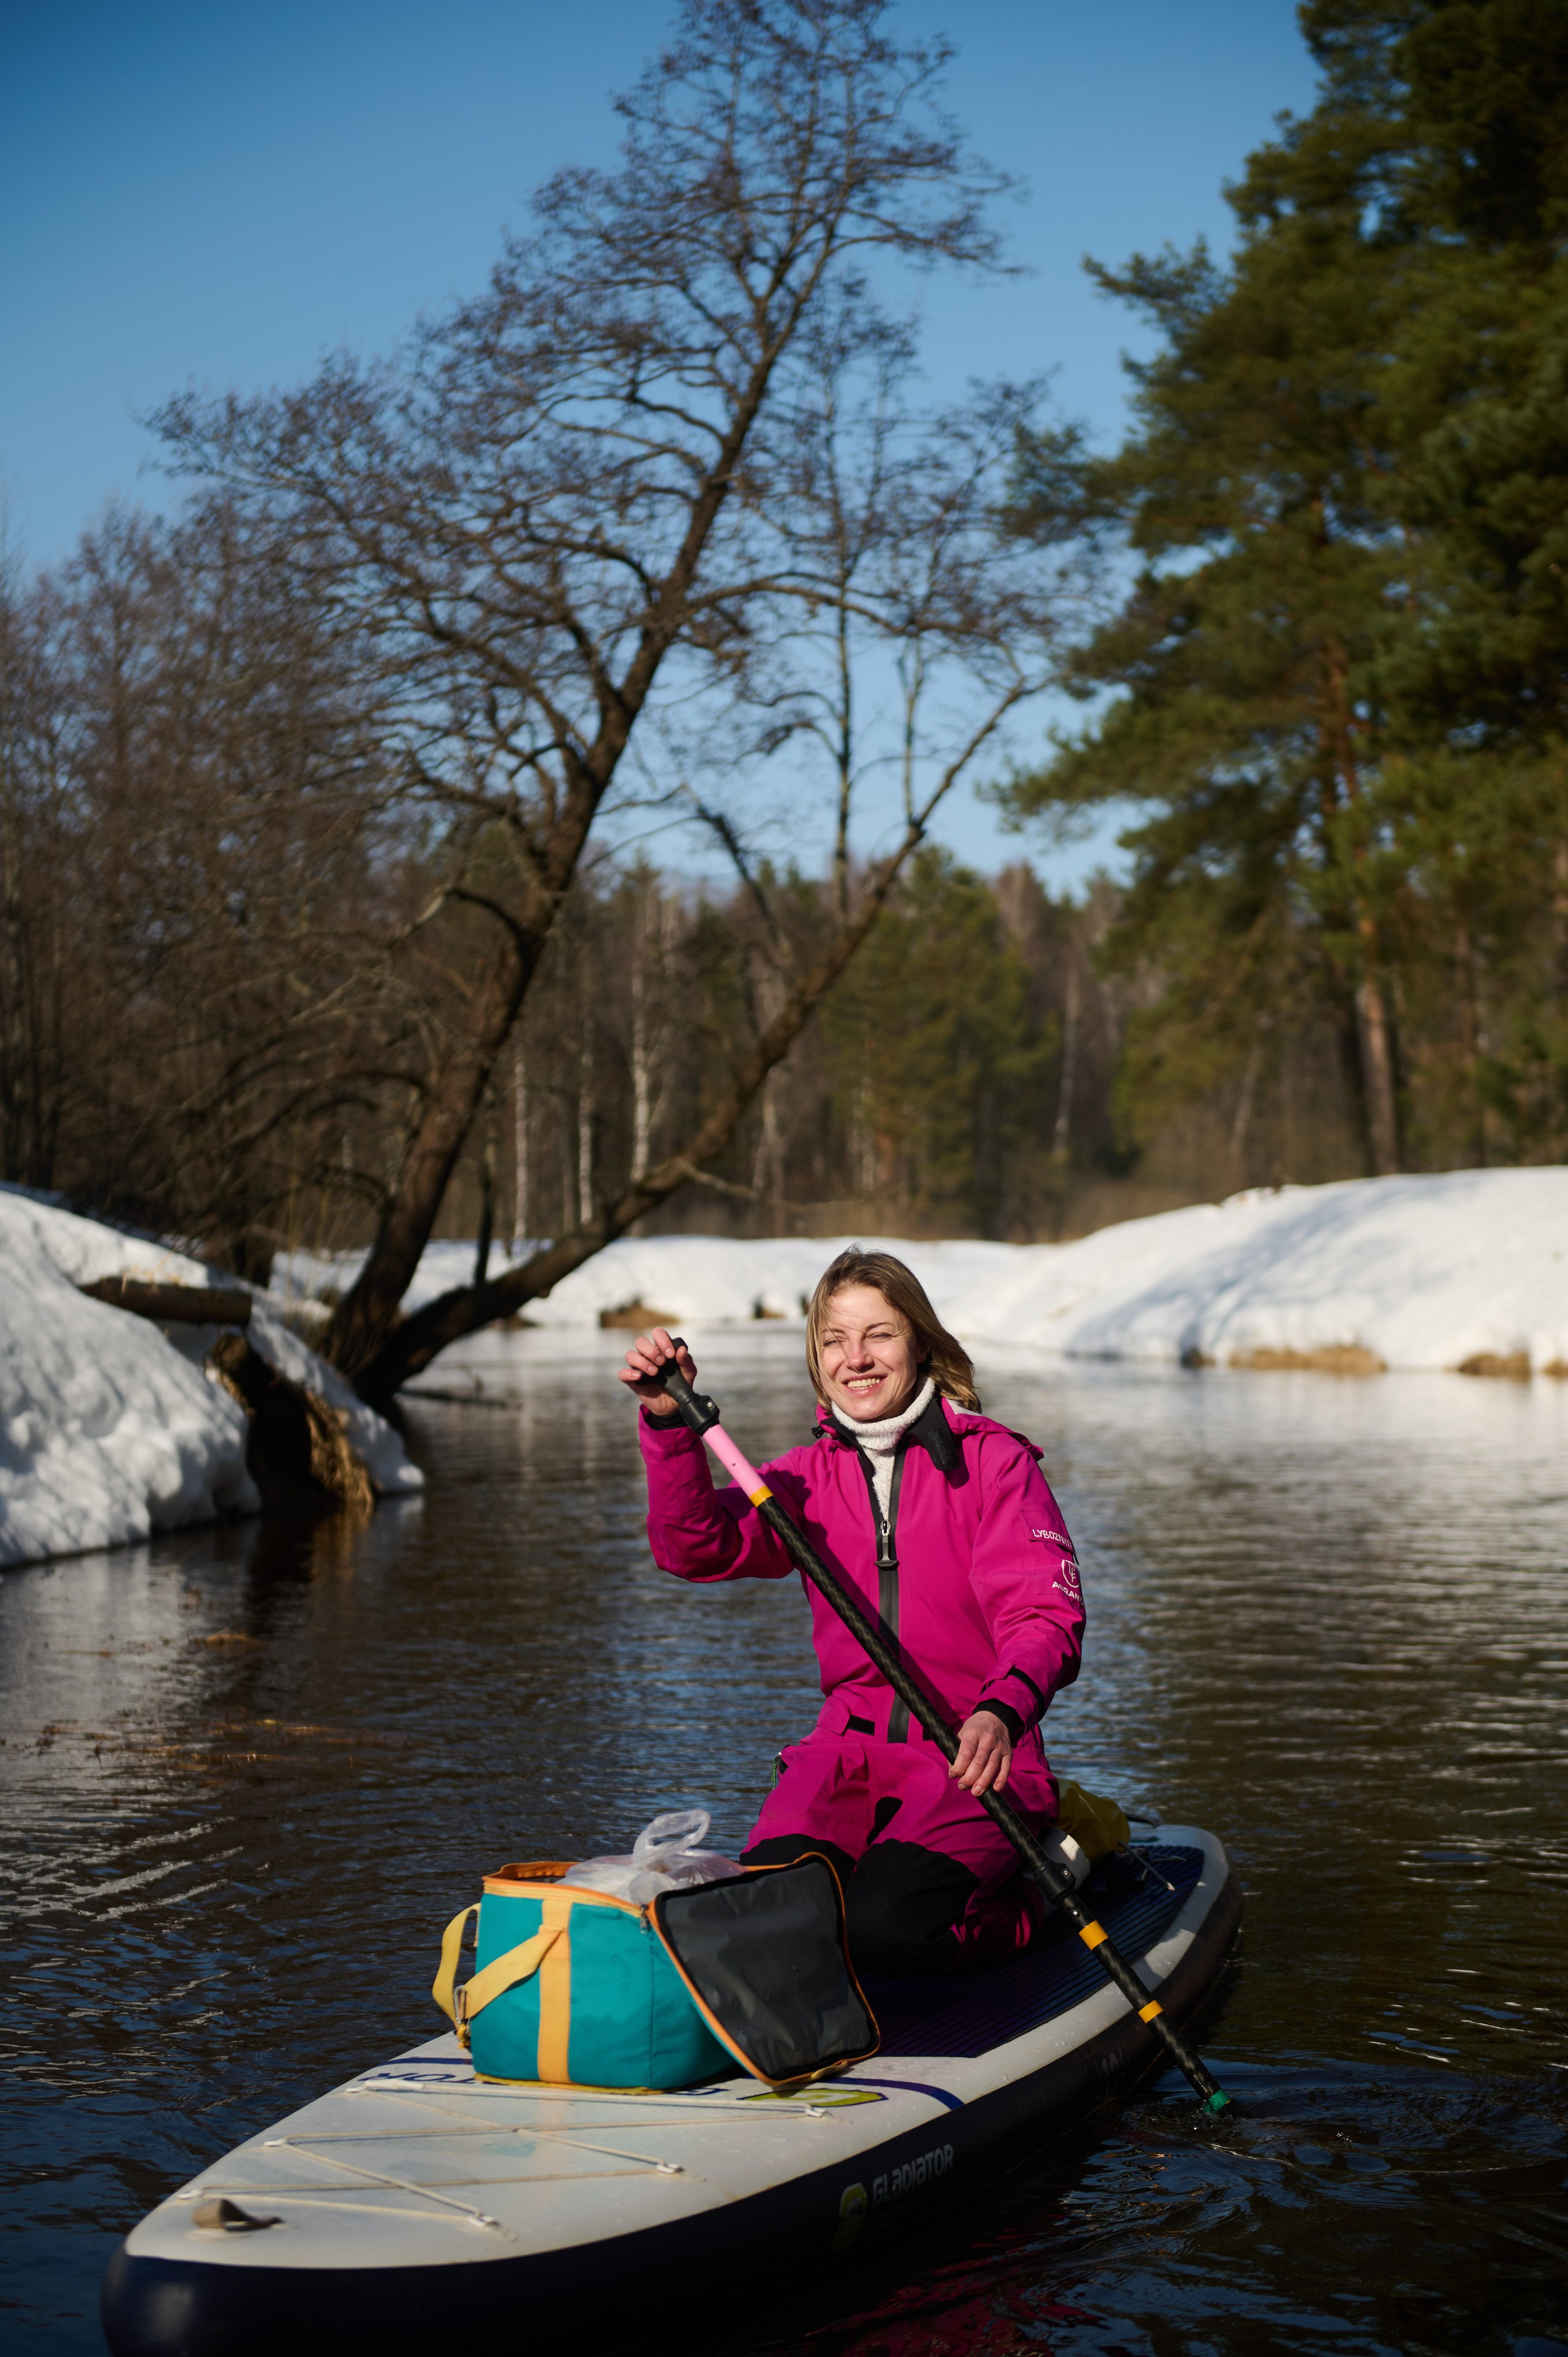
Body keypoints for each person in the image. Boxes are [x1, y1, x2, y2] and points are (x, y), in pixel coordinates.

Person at [619, 1246, 1085, 1978]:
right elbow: (695, 1549)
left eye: (879, 1334)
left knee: (883, 1930)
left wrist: (1000, 1710)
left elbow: (1044, 1616)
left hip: (973, 1758)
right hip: (846, 1755)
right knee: (769, 1920)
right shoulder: (801, 1481)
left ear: (919, 1341)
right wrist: (670, 1424)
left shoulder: (995, 1463)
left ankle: (1039, 1891)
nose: (855, 1358)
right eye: (835, 1339)